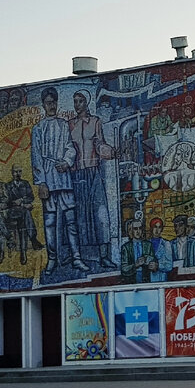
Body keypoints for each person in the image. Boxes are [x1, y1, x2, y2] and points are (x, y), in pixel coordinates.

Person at [31, 87, 88, 277]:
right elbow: (36, 157)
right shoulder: (38, 128)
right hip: (48, 177)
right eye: (48, 103)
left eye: (54, 102)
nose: (51, 106)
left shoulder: (63, 125)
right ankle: (52, 259)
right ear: (43, 105)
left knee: (70, 220)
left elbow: (70, 147)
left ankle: (76, 257)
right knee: (49, 222)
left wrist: (66, 161)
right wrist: (41, 182)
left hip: (63, 178)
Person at [68, 90, 117, 270]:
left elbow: (99, 143)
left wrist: (109, 151)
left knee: (100, 213)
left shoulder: (95, 121)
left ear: (87, 103)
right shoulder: (70, 124)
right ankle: (79, 256)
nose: (77, 104)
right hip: (76, 174)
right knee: (80, 216)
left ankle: (104, 256)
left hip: (93, 171)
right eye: (75, 101)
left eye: (80, 101)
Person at [5, 164, 42, 265]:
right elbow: (7, 202)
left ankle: (23, 254)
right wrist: (23, 204)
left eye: (19, 171)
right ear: (12, 173)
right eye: (15, 172)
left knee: (23, 223)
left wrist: (21, 201)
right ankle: (33, 239)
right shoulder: (8, 186)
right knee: (26, 212)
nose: (17, 174)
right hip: (12, 212)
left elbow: (31, 197)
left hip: (23, 212)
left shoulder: (25, 183)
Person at [119, 219, 149, 284]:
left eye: (140, 228)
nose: (138, 231)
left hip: (146, 279)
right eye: (135, 229)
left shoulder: (148, 244)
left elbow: (153, 259)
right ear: (130, 230)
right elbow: (124, 268)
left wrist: (147, 260)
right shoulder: (126, 247)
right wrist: (135, 265)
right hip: (132, 280)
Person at [148, 217, 173, 282]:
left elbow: (169, 265)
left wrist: (158, 265)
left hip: (161, 278)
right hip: (148, 279)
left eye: (159, 227)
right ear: (151, 228)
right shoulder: (146, 244)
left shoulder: (166, 244)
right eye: (155, 227)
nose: (157, 230)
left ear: (161, 229)